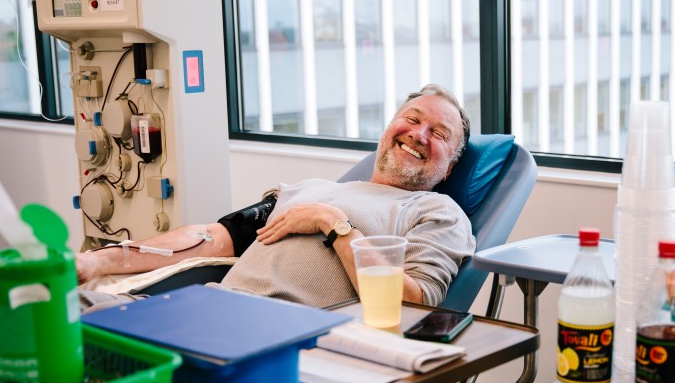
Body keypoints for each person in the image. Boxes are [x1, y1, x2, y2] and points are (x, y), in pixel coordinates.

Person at [75, 84, 475, 309]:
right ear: (388, 129)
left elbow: (414, 306)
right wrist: (99, 259)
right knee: (60, 309)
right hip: (212, 309)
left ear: (451, 167)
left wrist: (333, 224)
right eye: (412, 119)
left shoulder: (438, 212)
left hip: (283, 337)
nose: (419, 134)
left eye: (439, 134)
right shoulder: (309, 191)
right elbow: (214, 237)